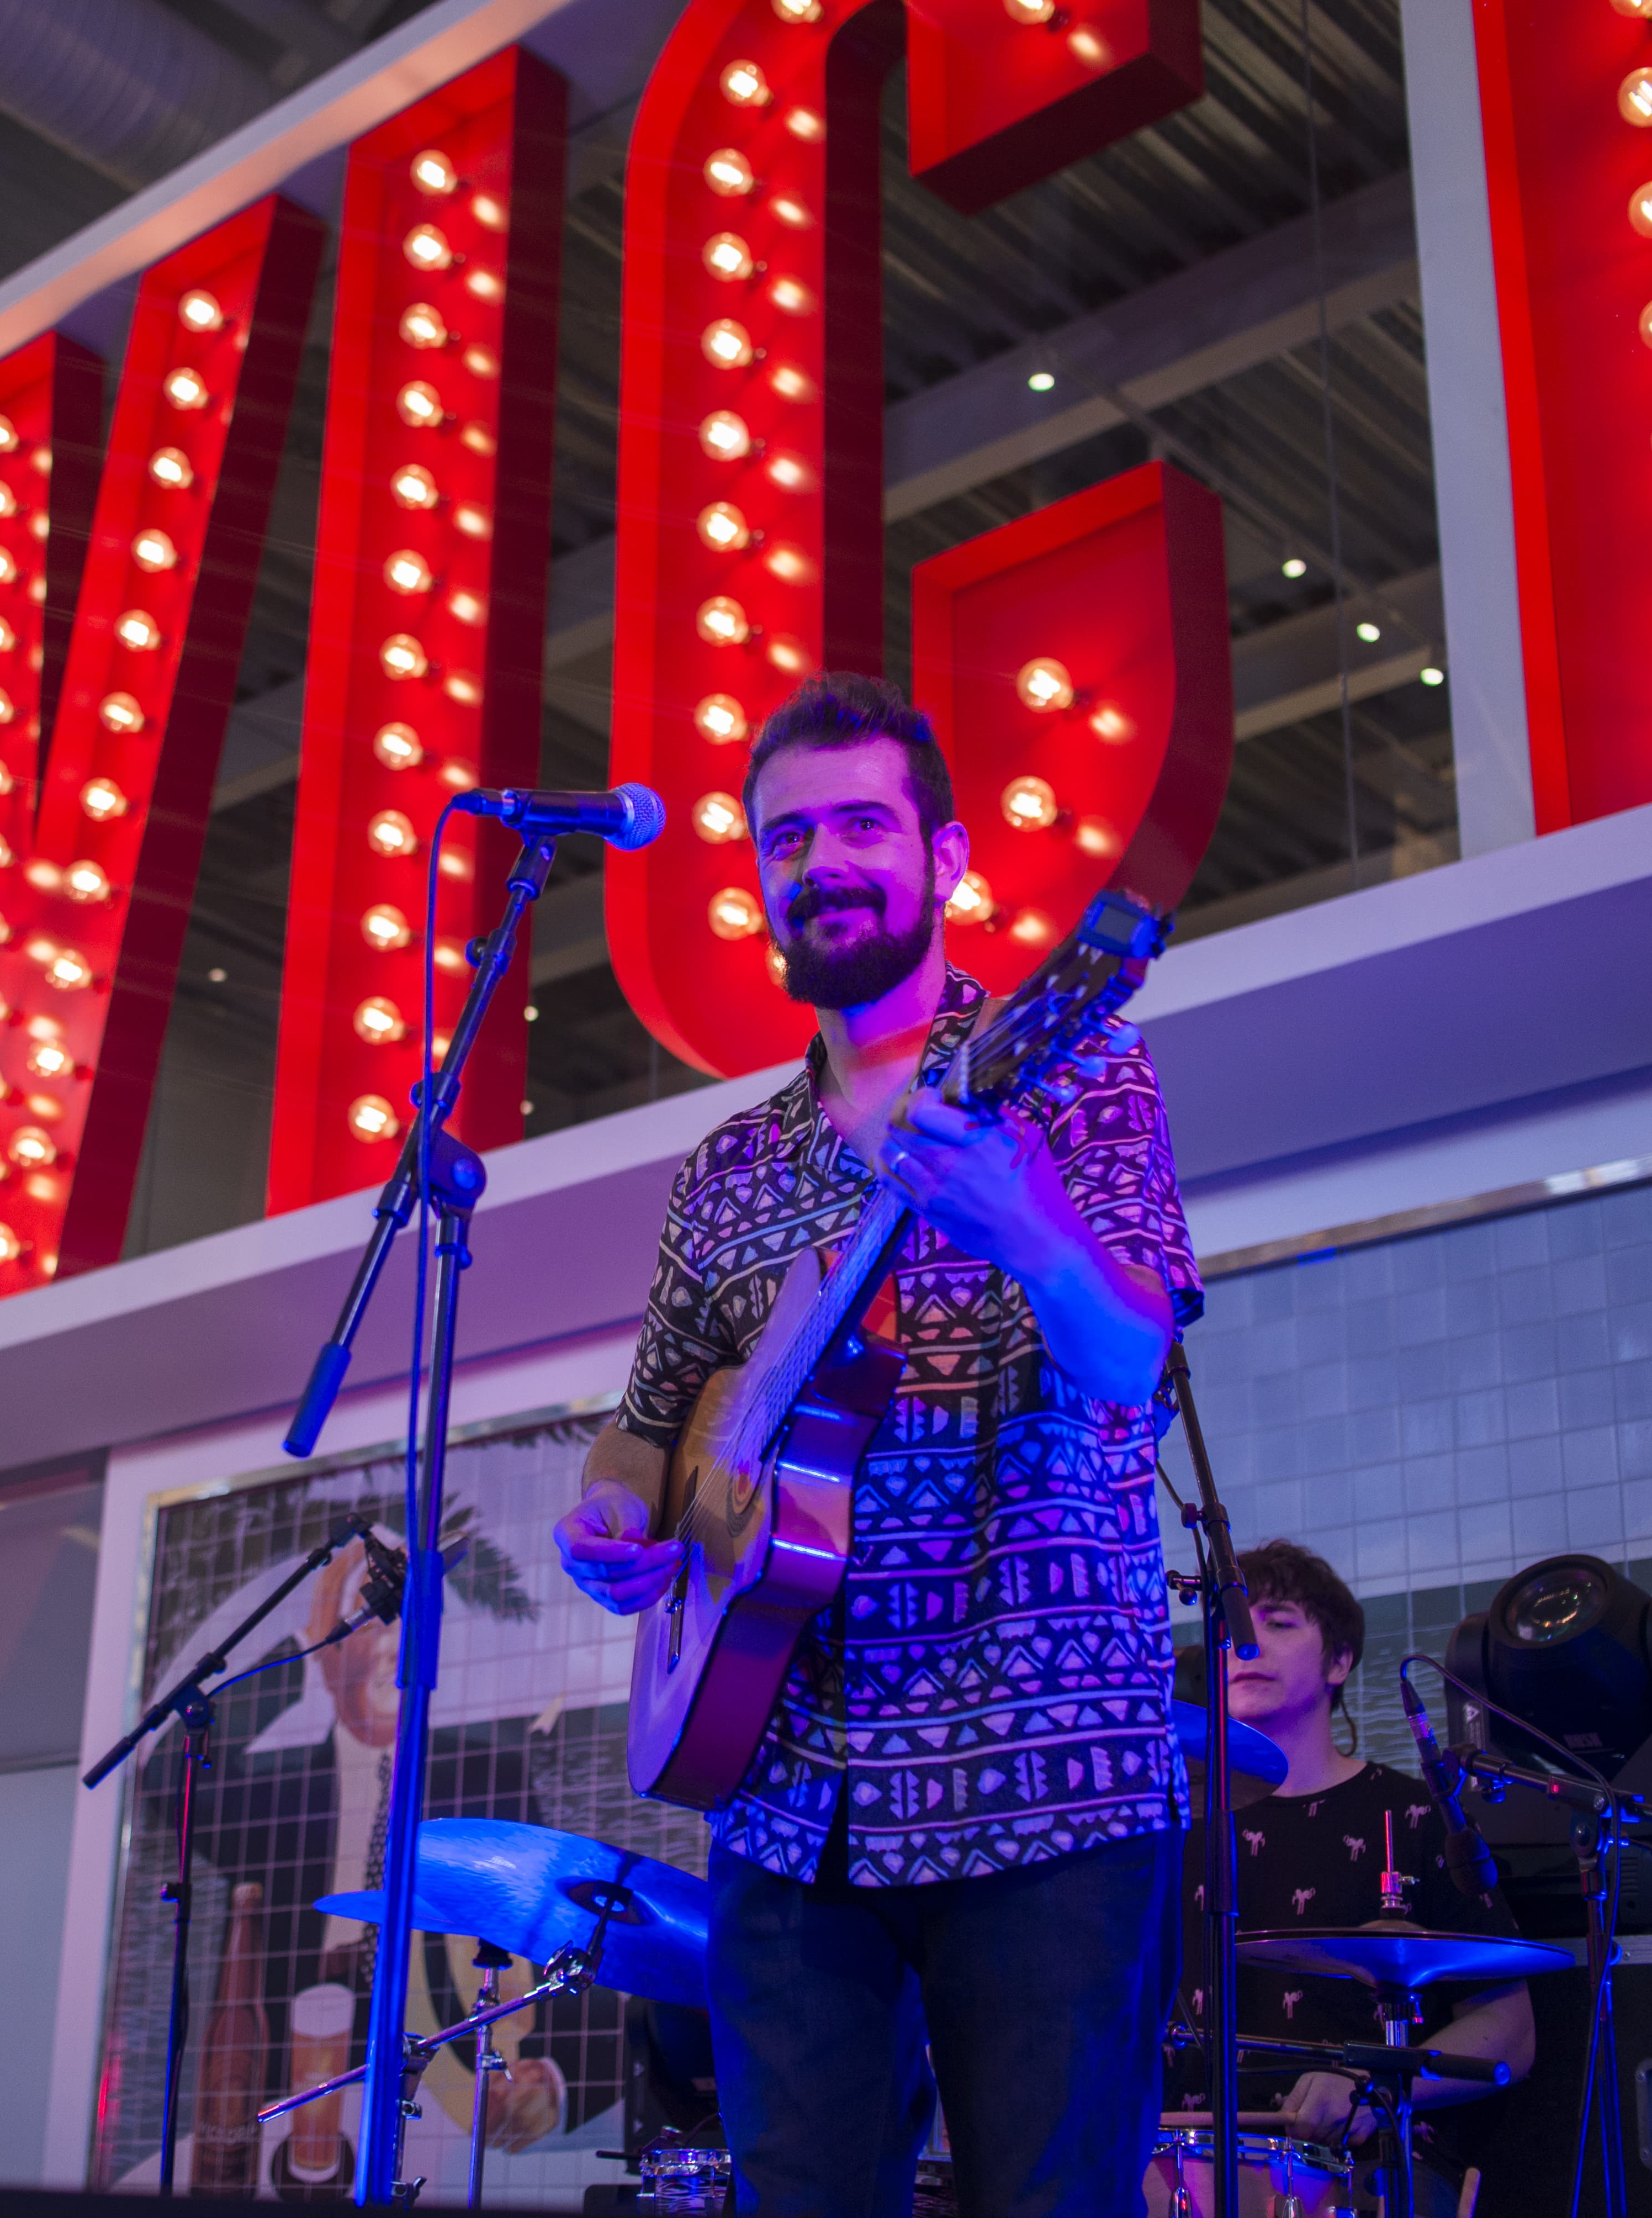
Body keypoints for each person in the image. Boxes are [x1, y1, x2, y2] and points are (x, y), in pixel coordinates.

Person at [552, 673, 1197, 2218]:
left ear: (948, 857)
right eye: (787, 838)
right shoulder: (727, 1170)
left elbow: (1131, 1358)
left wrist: (1023, 1221)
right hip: (786, 1793)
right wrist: (607, 1518)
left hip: (1045, 1773)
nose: (821, 861)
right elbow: (648, 1428)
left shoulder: (1074, 1074)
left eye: (859, 824)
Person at [1168, 1541, 1535, 2175]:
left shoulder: (1416, 1814)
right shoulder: (1172, 1831)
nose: (1246, 1644)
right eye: (1232, 1628)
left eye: (1278, 1621)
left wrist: (1372, 2088)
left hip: (1360, 2169)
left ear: (1339, 1659)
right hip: (1182, 2164)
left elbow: (1510, 2027)